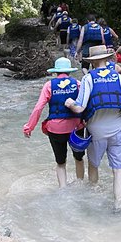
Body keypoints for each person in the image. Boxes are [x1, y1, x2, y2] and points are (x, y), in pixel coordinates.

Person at [65, 45, 121, 212]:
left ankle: (93, 199)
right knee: (118, 170)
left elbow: (79, 108)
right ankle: (118, 206)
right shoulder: (120, 78)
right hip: (119, 130)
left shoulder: (88, 79)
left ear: (91, 62)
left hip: (96, 131)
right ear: (107, 59)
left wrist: (69, 103)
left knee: (93, 164)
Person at [23, 57, 85, 188]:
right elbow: (85, 105)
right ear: (69, 71)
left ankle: (63, 189)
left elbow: (38, 108)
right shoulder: (78, 84)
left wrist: (29, 127)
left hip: (56, 129)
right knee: (79, 158)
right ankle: (80, 185)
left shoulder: (49, 85)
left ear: (56, 72)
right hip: (76, 127)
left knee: (61, 163)